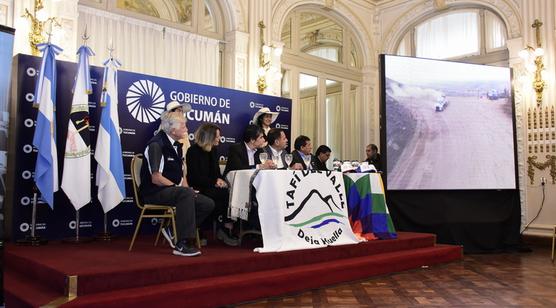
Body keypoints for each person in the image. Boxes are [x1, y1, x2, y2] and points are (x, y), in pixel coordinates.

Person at [139, 111, 214, 257]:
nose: (187, 129)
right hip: (153, 192)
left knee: (207, 203)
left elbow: (182, 176)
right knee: (184, 193)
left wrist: (187, 189)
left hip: (171, 191)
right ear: (173, 130)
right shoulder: (156, 145)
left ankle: (173, 231)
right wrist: (180, 189)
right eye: (184, 126)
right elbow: (156, 178)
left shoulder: (177, 146)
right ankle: (183, 244)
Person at [186, 123, 238, 246]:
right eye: (217, 136)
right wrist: (214, 182)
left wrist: (220, 180)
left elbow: (215, 172)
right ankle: (219, 228)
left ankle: (221, 228)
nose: (219, 139)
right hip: (197, 187)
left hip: (210, 186)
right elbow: (195, 177)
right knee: (217, 196)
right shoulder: (192, 151)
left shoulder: (213, 150)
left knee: (226, 192)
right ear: (209, 137)